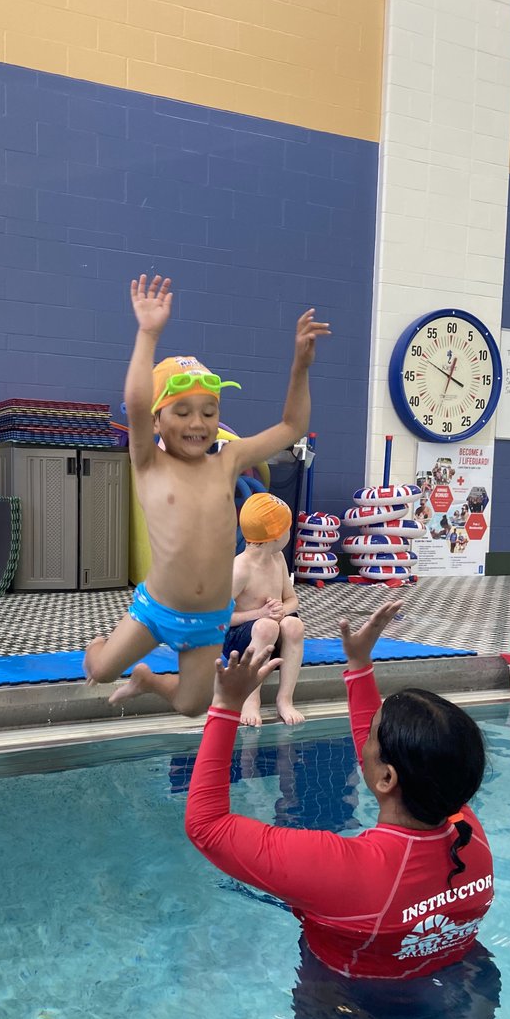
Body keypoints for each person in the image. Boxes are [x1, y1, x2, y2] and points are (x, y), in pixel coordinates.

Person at [185, 601, 499, 1019]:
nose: (367, 739)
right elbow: (383, 766)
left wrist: (226, 707)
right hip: (442, 1006)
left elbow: (206, 826)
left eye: (376, 737)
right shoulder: (466, 832)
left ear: (386, 779)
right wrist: (358, 669)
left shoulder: (345, 871)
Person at [84, 274, 329, 716]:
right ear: (157, 421)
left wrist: (300, 367)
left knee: (191, 705)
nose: (198, 422)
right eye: (182, 411)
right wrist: (148, 334)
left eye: (209, 411)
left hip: (208, 620)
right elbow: (137, 402)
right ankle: (100, 648)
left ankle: (147, 679)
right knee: (100, 670)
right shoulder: (148, 462)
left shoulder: (228, 461)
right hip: (157, 607)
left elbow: (291, 428)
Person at [221, 492, 305, 727]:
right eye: (287, 528)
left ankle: (285, 699)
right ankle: (250, 700)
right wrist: (260, 615)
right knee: (267, 626)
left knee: (294, 624)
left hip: (272, 634)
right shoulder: (241, 569)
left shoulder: (277, 559)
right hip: (241, 642)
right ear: (275, 536)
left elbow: (292, 600)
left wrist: (282, 610)